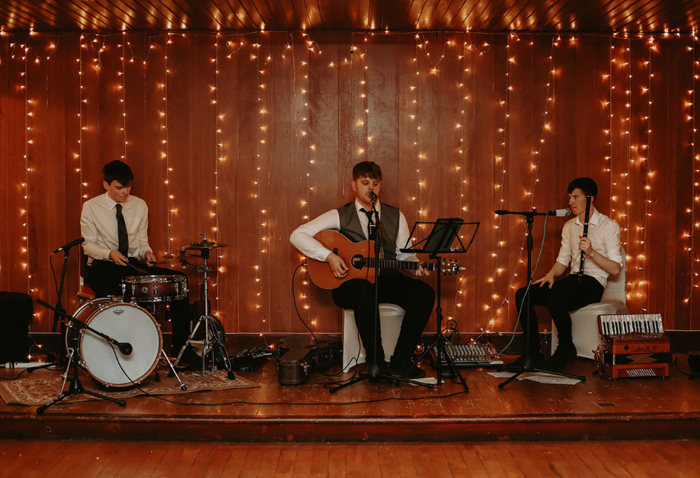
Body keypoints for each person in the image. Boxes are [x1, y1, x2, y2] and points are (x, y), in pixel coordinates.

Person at [290, 161, 435, 379]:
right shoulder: (340, 215)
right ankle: (376, 363)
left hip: (386, 280)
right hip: (350, 284)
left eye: (375, 184)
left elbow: (404, 255)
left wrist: (416, 267)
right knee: (365, 289)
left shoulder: (395, 216)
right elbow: (297, 235)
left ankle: (401, 360)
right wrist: (329, 256)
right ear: (354, 185)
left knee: (424, 293)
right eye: (365, 183)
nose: (370, 189)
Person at [80, 160, 192, 357]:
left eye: (128, 186)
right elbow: (88, 246)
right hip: (102, 265)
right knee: (114, 287)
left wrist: (146, 253)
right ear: (106, 185)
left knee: (179, 281)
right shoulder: (91, 207)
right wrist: (109, 254)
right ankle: (112, 350)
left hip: (131, 265)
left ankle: (182, 350)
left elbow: (141, 241)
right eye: (119, 187)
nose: (125, 192)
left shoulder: (139, 205)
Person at [511, 177, 622, 372]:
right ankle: (532, 354)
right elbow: (563, 261)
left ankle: (566, 349)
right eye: (570, 197)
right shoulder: (570, 226)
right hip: (572, 280)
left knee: (557, 299)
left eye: (576, 197)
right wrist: (551, 275)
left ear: (590, 198)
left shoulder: (609, 226)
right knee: (523, 294)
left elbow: (615, 269)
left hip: (593, 283)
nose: (570, 202)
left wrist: (593, 253)